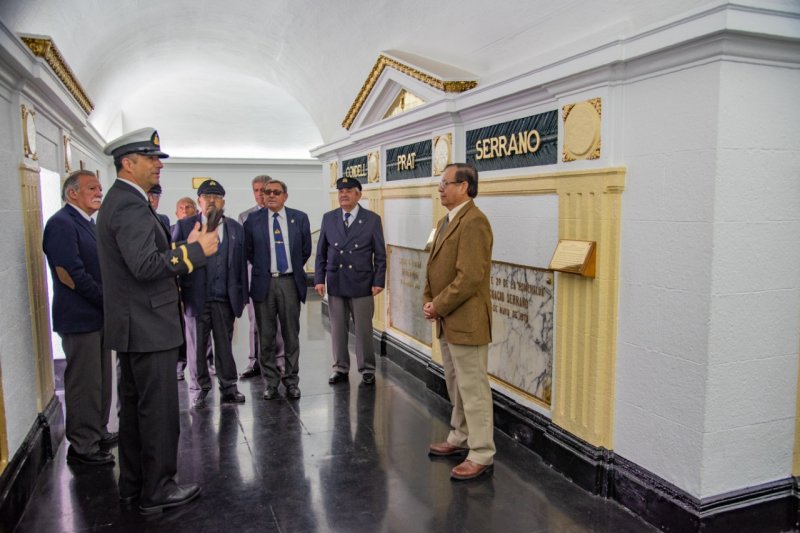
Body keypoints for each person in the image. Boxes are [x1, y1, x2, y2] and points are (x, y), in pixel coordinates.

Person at [97, 127, 218, 514]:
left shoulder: (120, 201)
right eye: (150, 159)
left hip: (135, 325)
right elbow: (147, 265)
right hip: (148, 325)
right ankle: (159, 489)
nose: (157, 165)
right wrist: (196, 252)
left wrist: (185, 247)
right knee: (159, 413)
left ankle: (133, 485)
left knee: (134, 412)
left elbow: (146, 257)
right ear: (127, 163)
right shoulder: (130, 205)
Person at [423, 163, 495, 481]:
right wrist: (430, 299)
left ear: (464, 187)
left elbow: (469, 278)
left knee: (473, 388)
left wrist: (437, 305)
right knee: (455, 382)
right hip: (446, 319)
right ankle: (460, 435)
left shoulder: (475, 222)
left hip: (466, 320)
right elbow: (434, 263)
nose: (440, 188)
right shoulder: (446, 220)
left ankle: (481, 452)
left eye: (445, 183)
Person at [42, 170, 116, 466]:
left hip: (97, 316)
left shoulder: (89, 224)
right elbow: (70, 274)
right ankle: (83, 446)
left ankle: (97, 431)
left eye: (99, 187)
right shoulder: (61, 224)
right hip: (80, 317)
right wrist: (104, 299)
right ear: (72, 193)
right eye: (92, 188)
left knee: (100, 381)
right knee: (83, 384)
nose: (99, 192)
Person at [174, 179, 248, 409]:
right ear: (200, 201)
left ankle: (229, 386)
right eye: (208, 197)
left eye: (217, 197)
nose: (212, 201)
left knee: (224, 344)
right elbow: (174, 261)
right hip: (196, 298)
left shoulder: (235, 228)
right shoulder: (187, 226)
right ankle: (199, 388)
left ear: (223, 201)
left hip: (224, 298)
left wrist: (242, 296)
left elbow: (240, 265)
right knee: (196, 346)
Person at [244, 179, 311, 400]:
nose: (270, 195)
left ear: (285, 195)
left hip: (289, 282)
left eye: (276, 192)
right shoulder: (252, 221)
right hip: (264, 283)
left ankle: (291, 381)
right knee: (266, 336)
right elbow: (250, 252)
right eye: (267, 192)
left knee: (292, 334)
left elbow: (305, 250)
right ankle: (271, 382)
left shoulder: (299, 218)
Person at [315, 176, 386, 386]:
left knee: (363, 328)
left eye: (348, 190)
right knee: (337, 327)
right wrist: (319, 279)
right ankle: (340, 367)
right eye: (340, 191)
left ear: (358, 194)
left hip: (362, 282)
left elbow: (380, 254)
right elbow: (321, 253)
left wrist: (379, 280)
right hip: (336, 280)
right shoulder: (329, 218)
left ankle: (366, 368)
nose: (343, 194)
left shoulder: (372, 219)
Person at [238, 175, 286, 378]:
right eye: (256, 190)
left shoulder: (282, 215)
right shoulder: (245, 217)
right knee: (255, 321)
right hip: (255, 275)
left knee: (280, 321)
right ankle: (254, 361)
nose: (260, 194)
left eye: (263, 190)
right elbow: (243, 250)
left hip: (278, 276)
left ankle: (280, 360)